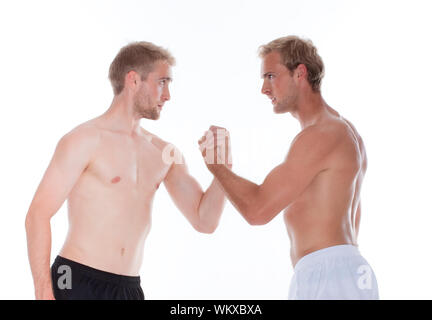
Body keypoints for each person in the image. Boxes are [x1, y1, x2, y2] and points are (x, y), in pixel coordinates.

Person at [25, 41, 230, 300]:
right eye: (162, 82)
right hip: (74, 278)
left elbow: (205, 220)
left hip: (128, 289)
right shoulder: (84, 140)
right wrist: (43, 292)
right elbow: (37, 215)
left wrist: (222, 170)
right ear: (133, 80)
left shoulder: (164, 153)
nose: (168, 95)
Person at [198, 36, 379, 299]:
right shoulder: (343, 130)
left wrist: (217, 167)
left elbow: (257, 210)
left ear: (300, 73)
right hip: (338, 273)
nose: (264, 88)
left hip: (330, 275)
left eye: (271, 76)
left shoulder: (322, 134)